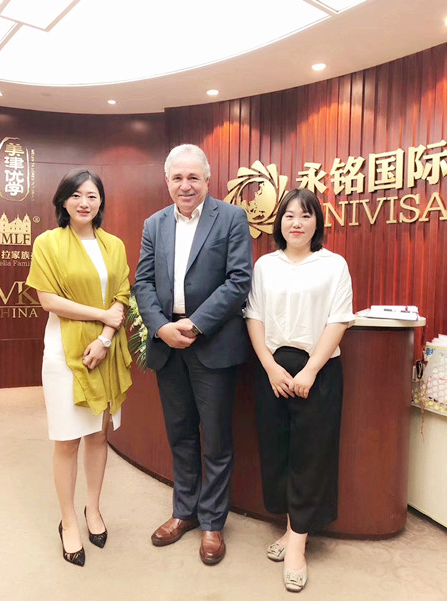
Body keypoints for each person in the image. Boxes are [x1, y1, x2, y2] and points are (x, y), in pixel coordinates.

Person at [133, 144, 252, 565]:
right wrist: (161, 327)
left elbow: (238, 281)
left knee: (215, 439)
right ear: (167, 181)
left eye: (193, 177)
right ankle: (184, 511)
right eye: (178, 178)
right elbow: (143, 283)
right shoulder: (154, 224)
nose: (186, 185)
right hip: (168, 343)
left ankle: (213, 523)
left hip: (212, 343)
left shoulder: (231, 218)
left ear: (207, 179)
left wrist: (195, 324)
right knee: (180, 434)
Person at [245, 188, 353, 592]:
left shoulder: (333, 265)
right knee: (278, 453)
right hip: (272, 371)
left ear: (317, 223)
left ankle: (297, 545)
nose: (296, 223)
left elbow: (339, 320)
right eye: (289, 215)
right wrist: (270, 367)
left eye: (306, 216)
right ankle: (291, 528)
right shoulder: (264, 266)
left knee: (311, 456)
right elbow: (254, 317)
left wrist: (310, 371)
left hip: (317, 371)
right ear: (280, 222)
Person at [26, 169, 132, 567]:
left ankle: (93, 508)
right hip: (64, 352)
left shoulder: (114, 245)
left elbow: (122, 296)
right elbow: (49, 300)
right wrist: (101, 315)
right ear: (63, 201)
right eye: (76, 195)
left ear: (101, 201)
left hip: (104, 348)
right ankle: (68, 520)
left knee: (98, 436)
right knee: (68, 439)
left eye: (92, 195)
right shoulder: (48, 242)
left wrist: (104, 338)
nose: (84, 202)